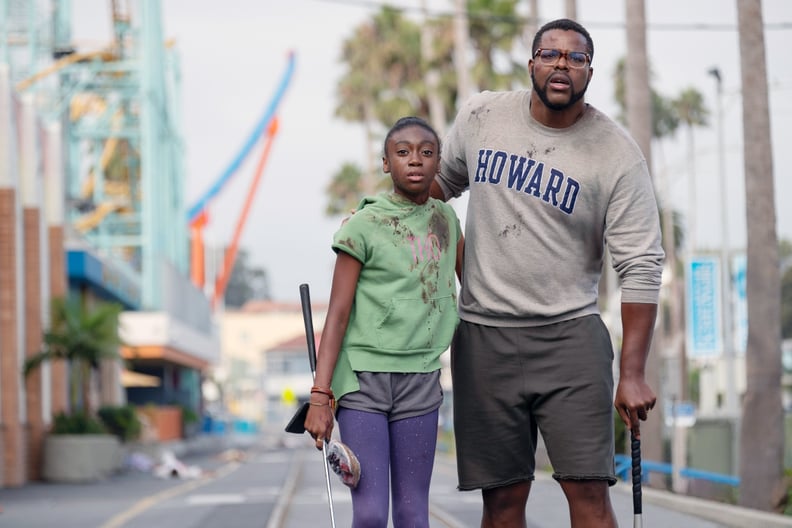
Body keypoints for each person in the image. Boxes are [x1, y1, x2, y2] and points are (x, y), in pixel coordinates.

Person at [430, 18, 665, 528]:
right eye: (550, 54)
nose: (562, 64)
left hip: (570, 340)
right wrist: (373, 219)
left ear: (589, 71)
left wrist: (631, 372)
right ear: (532, 62)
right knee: (503, 502)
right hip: (484, 338)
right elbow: (438, 188)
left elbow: (641, 264)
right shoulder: (482, 115)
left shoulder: (615, 153)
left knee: (588, 494)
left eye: (575, 57)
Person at [305, 116, 464, 527]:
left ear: (438, 163)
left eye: (427, 153)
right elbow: (337, 315)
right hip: (362, 383)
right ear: (385, 163)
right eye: (403, 152)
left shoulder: (446, 221)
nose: (415, 161)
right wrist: (321, 396)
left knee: (413, 515)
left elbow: (470, 293)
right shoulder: (362, 227)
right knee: (372, 514)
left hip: (421, 380)